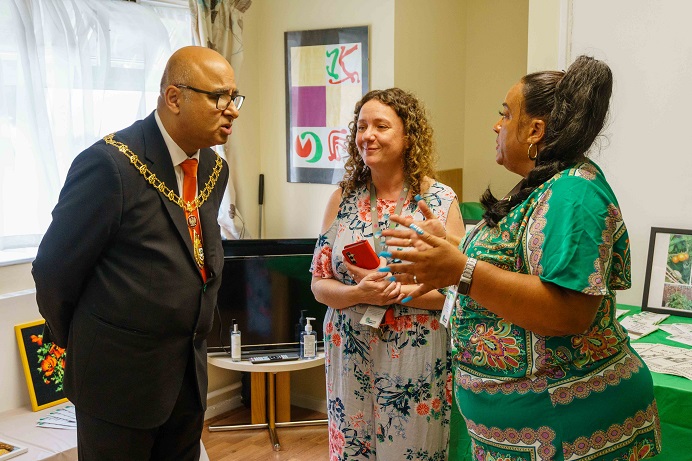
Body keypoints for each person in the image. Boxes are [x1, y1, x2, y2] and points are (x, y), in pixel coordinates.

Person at [381, 56, 662, 460]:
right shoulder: (541, 186)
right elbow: (515, 265)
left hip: (569, 426)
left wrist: (461, 268)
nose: (496, 125)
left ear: (535, 130)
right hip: (525, 428)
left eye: (506, 114)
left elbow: (570, 312)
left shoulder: (573, 194)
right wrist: (454, 246)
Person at [32, 46, 242, 460]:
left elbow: (198, 253)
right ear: (175, 98)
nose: (231, 109)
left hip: (186, 379)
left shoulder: (215, 171)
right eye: (218, 97)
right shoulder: (110, 166)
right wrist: (85, 341)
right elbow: (54, 272)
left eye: (234, 97)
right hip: (117, 386)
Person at [310, 88, 465, 460]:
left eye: (381, 125)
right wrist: (360, 293)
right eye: (362, 126)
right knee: (352, 452)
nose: (368, 135)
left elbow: (459, 291)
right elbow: (318, 283)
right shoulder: (342, 198)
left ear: (408, 136)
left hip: (416, 354)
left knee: (412, 451)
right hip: (349, 349)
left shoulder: (440, 201)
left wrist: (399, 293)